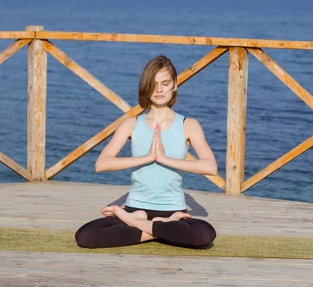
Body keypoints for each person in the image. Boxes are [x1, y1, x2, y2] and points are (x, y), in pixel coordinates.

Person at [75, 55, 218, 249]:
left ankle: (143, 224)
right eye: (154, 84)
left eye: (165, 83)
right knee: (85, 236)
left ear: (174, 85)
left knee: (204, 235)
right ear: (146, 87)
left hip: (173, 211)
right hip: (136, 208)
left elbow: (210, 166)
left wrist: (164, 159)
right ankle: (160, 228)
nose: (159, 89)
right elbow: (102, 164)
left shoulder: (189, 125)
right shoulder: (131, 124)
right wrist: (148, 158)